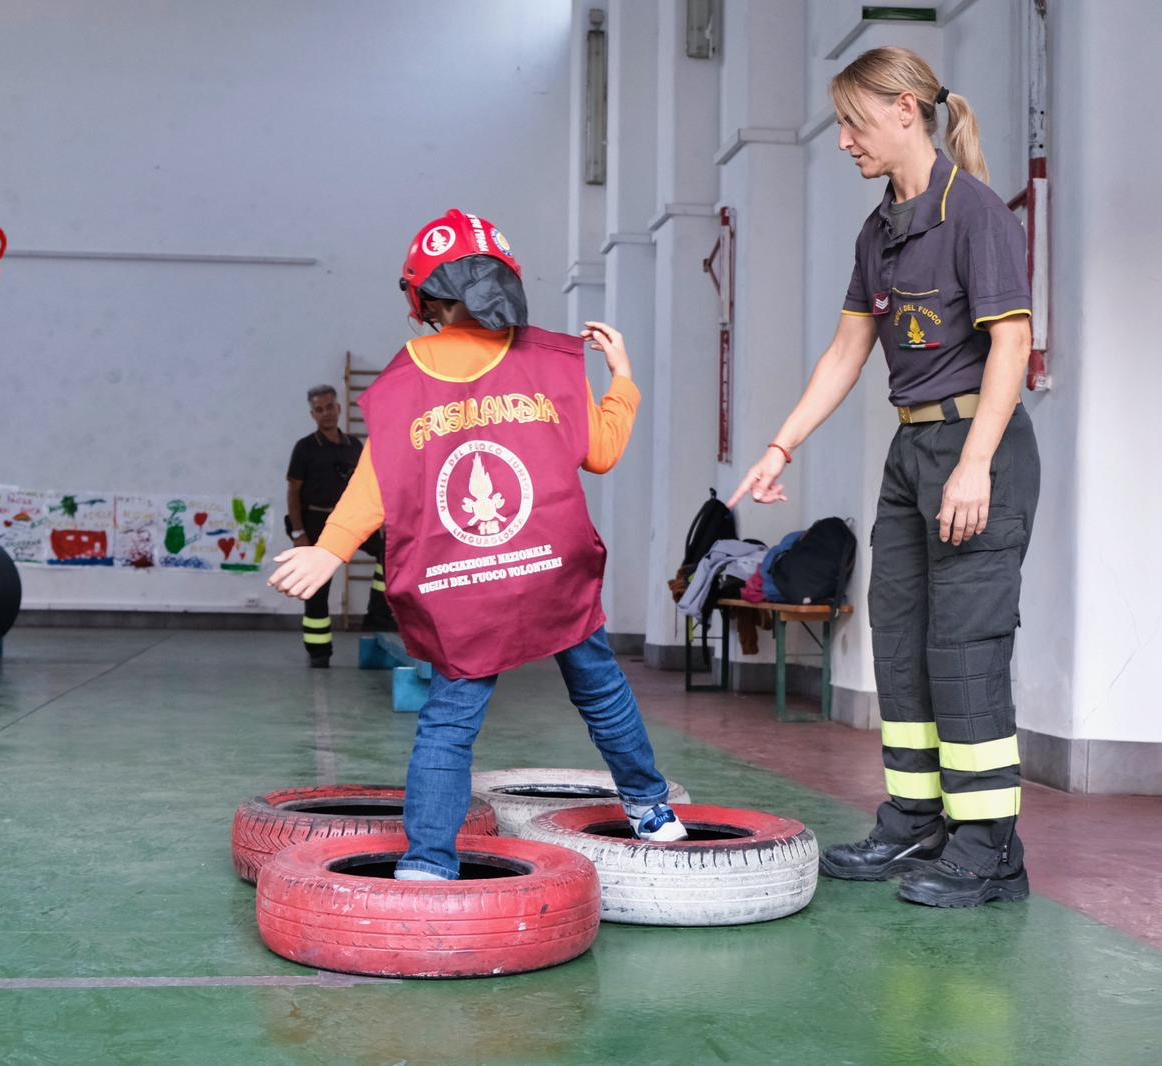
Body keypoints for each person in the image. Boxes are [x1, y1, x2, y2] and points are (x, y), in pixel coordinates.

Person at [270, 209, 687, 880]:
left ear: (426, 302)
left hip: (463, 582)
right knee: (602, 690)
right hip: (551, 570)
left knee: (448, 724)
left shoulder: (400, 382)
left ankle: (429, 862)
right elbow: (602, 453)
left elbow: (377, 481)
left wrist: (331, 549)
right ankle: (651, 810)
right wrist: (624, 380)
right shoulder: (552, 359)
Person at [728, 48, 1038, 908]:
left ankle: (989, 849)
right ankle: (915, 821)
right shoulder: (880, 231)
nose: (843, 141)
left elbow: (1012, 342)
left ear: (906, 110)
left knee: (965, 650)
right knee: (899, 643)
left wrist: (975, 463)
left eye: (853, 122)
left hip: (976, 447)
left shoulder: (973, 212)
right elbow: (847, 350)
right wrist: (781, 446)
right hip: (912, 454)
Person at [285, 385, 394, 669]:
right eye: (319, 409)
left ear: (339, 408)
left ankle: (379, 615)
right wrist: (298, 532)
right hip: (315, 521)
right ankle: (319, 653)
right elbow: (293, 492)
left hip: (351, 519)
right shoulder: (305, 448)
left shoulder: (354, 446)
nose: (326, 413)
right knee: (317, 588)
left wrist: (379, 521)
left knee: (389, 550)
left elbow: (369, 486)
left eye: (330, 407)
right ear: (313, 415)